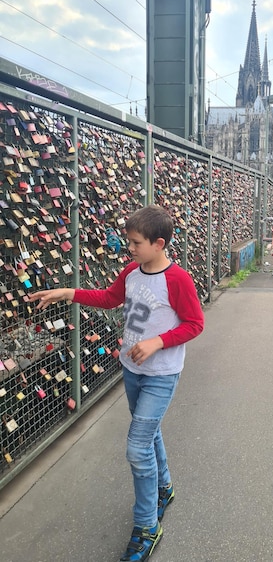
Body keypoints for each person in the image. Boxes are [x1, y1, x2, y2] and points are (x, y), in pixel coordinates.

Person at [29, 205, 204, 562]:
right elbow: (110, 298)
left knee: (137, 447)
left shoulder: (178, 280)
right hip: (131, 369)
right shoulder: (132, 272)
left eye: (136, 243)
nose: (130, 248)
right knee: (149, 432)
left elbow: (195, 324)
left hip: (161, 374)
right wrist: (68, 292)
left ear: (159, 243)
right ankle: (164, 488)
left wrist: (158, 341)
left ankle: (147, 527)